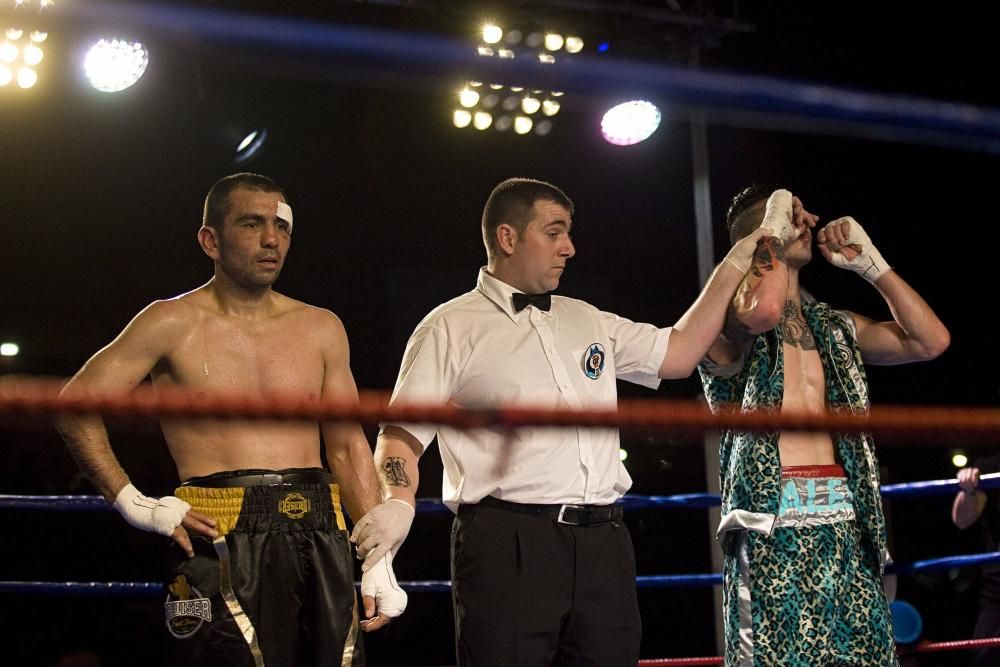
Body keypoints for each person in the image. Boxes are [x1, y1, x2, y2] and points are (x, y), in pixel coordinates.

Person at [349, 177, 772, 665]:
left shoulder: (587, 317)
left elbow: (678, 353)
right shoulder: (449, 326)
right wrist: (399, 504)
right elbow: (401, 435)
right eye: (554, 232)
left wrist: (738, 259)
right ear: (508, 238)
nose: (569, 247)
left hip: (605, 543)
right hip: (508, 541)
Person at [54, 173, 407, 667]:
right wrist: (134, 503)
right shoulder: (170, 321)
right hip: (218, 528)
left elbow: (347, 447)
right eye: (252, 224)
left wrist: (378, 559)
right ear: (210, 241)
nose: (271, 239)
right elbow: (75, 405)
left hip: (320, 526)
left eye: (281, 227)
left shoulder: (321, 327)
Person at [698, 185, 950, 666]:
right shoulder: (727, 324)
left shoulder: (833, 326)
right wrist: (769, 231)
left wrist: (872, 265)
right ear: (762, 231)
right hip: (773, 524)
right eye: (794, 215)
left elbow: (930, 340)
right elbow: (766, 310)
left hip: (846, 522)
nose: (810, 221)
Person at [952, 459, 1000, 666]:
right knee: (983, 658)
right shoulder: (991, 466)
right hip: (997, 589)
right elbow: (961, 520)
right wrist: (968, 488)